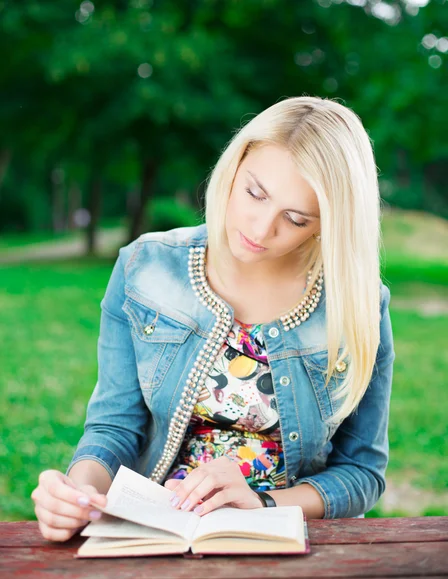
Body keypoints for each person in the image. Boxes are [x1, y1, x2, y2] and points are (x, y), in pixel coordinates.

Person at [31, 96, 395, 542]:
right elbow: (114, 427)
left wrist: (263, 506)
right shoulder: (145, 267)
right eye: (255, 193)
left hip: (289, 541)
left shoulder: (358, 302)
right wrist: (79, 494)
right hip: (156, 532)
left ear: (327, 224)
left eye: (296, 219)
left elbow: (362, 471)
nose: (261, 230)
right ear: (235, 163)